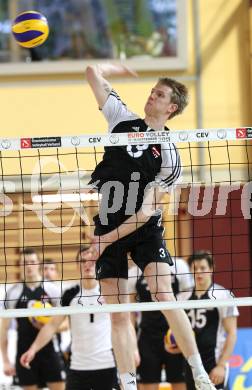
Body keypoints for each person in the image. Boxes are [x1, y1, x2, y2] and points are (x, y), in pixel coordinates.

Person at [83, 62, 216, 390]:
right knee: (118, 313)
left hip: (142, 227)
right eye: (152, 90)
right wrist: (119, 68)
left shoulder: (170, 155)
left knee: (162, 292)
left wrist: (104, 241)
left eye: (159, 94)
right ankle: (128, 384)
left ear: (171, 108)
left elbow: (145, 213)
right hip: (108, 219)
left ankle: (197, 371)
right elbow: (90, 72)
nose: (151, 96)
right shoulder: (122, 118)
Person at [19, 245, 120, 390]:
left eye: (91, 260)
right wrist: (32, 350)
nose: (87, 264)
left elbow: (124, 323)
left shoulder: (109, 291)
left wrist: (132, 351)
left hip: (107, 364)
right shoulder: (69, 294)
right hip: (77, 366)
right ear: (77, 265)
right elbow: (52, 325)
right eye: (82, 261)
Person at [0, 248, 65, 390]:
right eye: (25, 262)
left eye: (32, 262)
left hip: (50, 351)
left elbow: (65, 322)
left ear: (38, 264)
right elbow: (3, 329)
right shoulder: (13, 293)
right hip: (24, 351)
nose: (29, 266)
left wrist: (48, 326)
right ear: (20, 265)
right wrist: (5, 360)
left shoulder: (52, 289)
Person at [175, 251, 238, 390]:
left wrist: (221, 365)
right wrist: (172, 343)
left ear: (211, 269)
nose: (198, 272)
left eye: (202, 268)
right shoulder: (181, 297)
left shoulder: (223, 295)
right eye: (194, 268)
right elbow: (175, 330)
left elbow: (232, 333)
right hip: (190, 362)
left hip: (214, 362)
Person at [128, 258, 194, 390]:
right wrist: (133, 346)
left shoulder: (178, 266)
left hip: (174, 335)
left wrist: (185, 336)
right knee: (148, 385)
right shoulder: (134, 273)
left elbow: (189, 301)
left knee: (180, 383)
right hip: (148, 337)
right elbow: (130, 312)